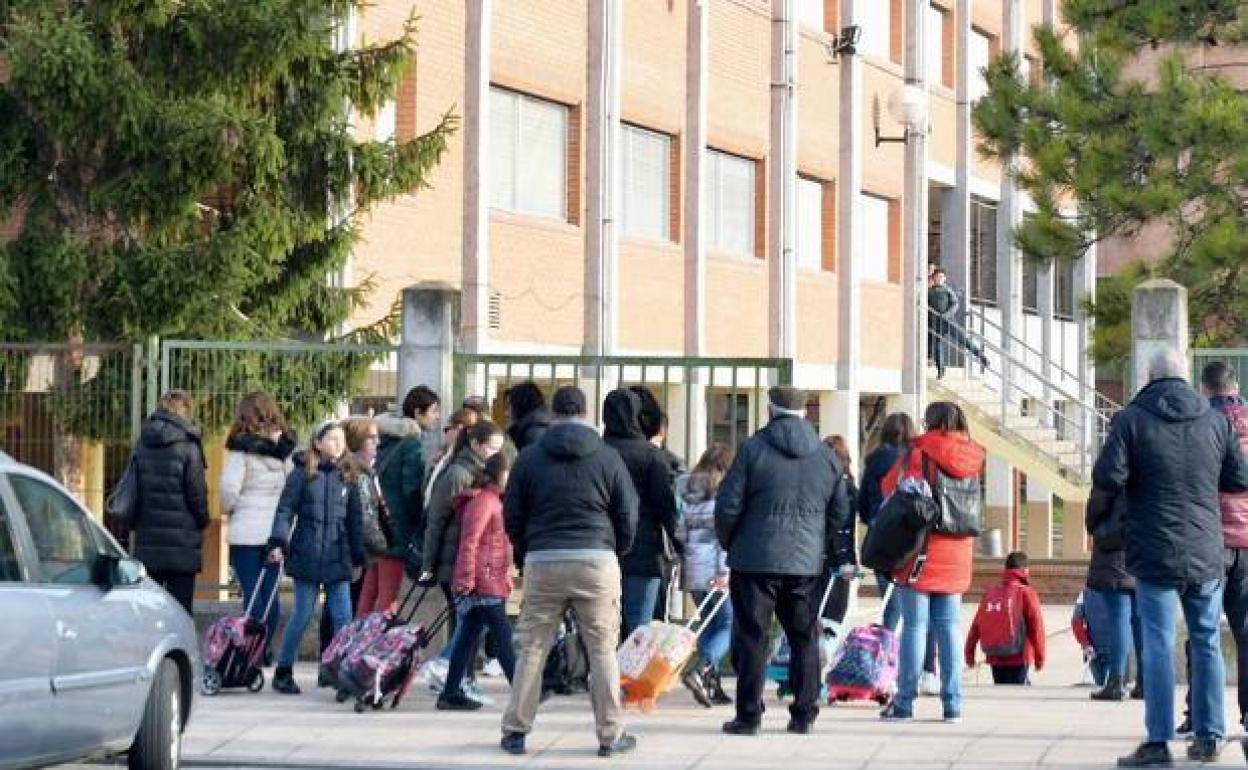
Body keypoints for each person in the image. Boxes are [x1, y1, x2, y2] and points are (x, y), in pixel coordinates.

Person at [1093, 350, 1248, 767]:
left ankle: (1158, 742)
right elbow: (1239, 478)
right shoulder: (1215, 420)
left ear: (1149, 375)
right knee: (1207, 641)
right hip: (1204, 548)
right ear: (1189, 379)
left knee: (1159, 644)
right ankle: (1210, 736)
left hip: (1153, 547)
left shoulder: (1130, 420)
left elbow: (1108, 476)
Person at [501, 386, 640, 758]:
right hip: (596, 559)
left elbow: (511, 512)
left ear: (554, 412)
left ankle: (515, 730)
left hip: (544, 558)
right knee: (602, 649)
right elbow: (627, 512)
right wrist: (616, 548)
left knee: (532, 646)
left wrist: (527, 548)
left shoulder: (530, 458)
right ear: (584, 410)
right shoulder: (607, 457)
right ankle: (610, 735)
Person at [715, 386, 853, 737]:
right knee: (804, 636)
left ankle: (749, 716)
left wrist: (732, 542)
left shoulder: (752, 449)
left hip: (754, 558)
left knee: (752, 637)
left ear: (770, 409)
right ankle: (803, 714)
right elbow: (839, 512)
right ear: (806, 412)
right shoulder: (827, 457)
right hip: (804, 563)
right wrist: (816, 542)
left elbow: (728, 505)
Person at [879, 401, 985, 724]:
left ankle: (904, 703)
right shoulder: (974, 456)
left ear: (932, 422)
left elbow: (890, 489)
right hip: (958, 551)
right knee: (950, 628)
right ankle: (953, 704)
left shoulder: (919, 453)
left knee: (914, 627)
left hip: (922, 550)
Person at [267, 420, 366, 695]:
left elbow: (355, 520)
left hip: (338, 555)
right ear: (318, 443)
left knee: (343, 617)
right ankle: (284, 670)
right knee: (302, 614)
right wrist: (278, 541)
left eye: (341, 439)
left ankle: (342, 672)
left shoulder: (348, 475)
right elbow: (285, 511)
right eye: (332, 439)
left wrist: (358, 554)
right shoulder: (301, 474)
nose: (338, 444)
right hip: (307, 553)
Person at [420, 421, 506, 696]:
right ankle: (447, 669)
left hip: (469, 563)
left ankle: (457, 682)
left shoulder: (480, 473)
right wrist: (429, 566)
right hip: (456, 562)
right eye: (492, 448)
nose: (496, 453)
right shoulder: (458, 473)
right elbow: (436, 521)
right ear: (476, 445)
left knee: (472, 625)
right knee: (470, 624)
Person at [436, 453, 518, 711]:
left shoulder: (494, 501)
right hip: (483, 581)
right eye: (508, 473)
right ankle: (524, 693)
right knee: (503, 637)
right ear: (497, 474)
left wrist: (505, 575)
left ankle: (450, 692)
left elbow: (498, 545)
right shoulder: (484, 502)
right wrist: (467, 579)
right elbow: (469, 542)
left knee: (467, 637)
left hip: (489, 578)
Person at [219, 392, 296, 663]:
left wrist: (231, 507)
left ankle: (251, 650)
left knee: (252, 593)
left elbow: (229, 488)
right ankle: (264, 649)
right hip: (276, 531)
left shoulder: (241, 450)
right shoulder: (285, 451)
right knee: (271, 594)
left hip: (246, 531)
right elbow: (292, 487)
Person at [603, 388, 682, 638]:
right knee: (639, 628)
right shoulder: (651, 456)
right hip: (644, 552)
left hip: (602, 548)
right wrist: (681, 544)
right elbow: (666, 507)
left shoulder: (597, 452)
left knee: (602, 626)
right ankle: (631, 677)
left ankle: (604, 675)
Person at [133, 390, 209, 615]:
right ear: (185, 410)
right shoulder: (189, 445)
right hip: (181, 541)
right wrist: (203, 520)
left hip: (148, 537)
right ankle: (179, 649)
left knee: (150, 607)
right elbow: (197, 493)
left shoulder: (143, 442)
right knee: (180, 608)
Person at [316, 417, 380, 682]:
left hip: (350, 548)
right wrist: (375, 549)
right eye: (371, 437)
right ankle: (334, 663)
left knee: (339, 610)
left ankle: (331, 663)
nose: (377, 442)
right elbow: (363, 517)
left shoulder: (362, 470)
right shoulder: (357, 472)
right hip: (352, 550)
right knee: (342, 611)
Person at [677, 444, 735, 708]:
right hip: (714, 569)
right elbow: (724, 538)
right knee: (728, 623)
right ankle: (701, 668)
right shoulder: (722, 496)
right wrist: (725, 571)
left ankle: (710, 682)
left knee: (710, 624)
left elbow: (680, 533)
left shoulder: (689, 493)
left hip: (693, 569)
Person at [374, 385, 440, 613]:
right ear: (418, 413)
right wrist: (420, 521)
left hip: (377, 524)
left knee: (370, 593)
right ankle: (377, 645)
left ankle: (355, 645)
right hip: (397, 529)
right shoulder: (412, 444)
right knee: (388, 596)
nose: (437, 417)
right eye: (433, 411)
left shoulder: (385, 439)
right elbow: (411, 490)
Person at [1083, 482, 1143, 702]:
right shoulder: (1147, 464)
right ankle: (1144, 682)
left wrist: (1094, 527)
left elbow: (1094, 511)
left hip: (1113, 552)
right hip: (1140, 549)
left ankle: (1116, 680)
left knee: (1119, 617)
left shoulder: (1111, 471)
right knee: (1139, 618)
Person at [859, 413, 916, 631]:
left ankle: (888, 643)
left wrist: (871, 520)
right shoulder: (916, 459)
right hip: (910, 536)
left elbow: (863, 501)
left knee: (889, 600)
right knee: (912, 602)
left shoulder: (874, 460)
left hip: (880, 535)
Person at [964, 551, 1046, 685]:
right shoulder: (1026, 593)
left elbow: (977, 625)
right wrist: (1039, 658)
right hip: (1019, 657)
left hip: (994, 656)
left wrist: (969, 654)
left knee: (1000, 692)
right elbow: (1037, 627)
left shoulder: (991, 592)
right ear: (1025, 571)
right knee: (1016, 698)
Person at [425, 407, 480, 504]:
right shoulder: (445, 456)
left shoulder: (458, 464)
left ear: (459, 429)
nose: (445, 434)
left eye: (447, 429)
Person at [506, 381, 552, 452]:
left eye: (509, 405)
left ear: (520, 405)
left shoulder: (534, 432)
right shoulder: (533, 426)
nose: (507, 413)